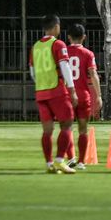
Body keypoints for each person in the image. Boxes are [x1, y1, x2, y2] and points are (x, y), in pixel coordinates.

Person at [30, 14, 78, 174]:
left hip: (41, 91)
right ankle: (59, 160)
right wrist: (71, 89)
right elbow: (65, 67)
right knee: (67, 123)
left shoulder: (35, 46)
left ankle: (49, 163)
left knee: (47, 130)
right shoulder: (58, 44)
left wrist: (41, 82)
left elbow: (32, 72)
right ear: (56, 26)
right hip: (56, 90)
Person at [65, 24, 103, 170]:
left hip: (68, 95)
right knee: (83, 129)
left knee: (66, 128)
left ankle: (71, 158)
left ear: (68, 37)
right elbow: (93, 75)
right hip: (83, 95)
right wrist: (98, 96)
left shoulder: (64, 52)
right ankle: (81, 162)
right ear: (84, 37)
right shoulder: (88, 54)